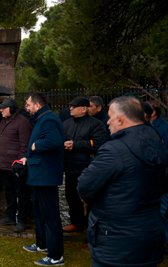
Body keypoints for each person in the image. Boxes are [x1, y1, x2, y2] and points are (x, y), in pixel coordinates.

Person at [78, 96, 168, 267]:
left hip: (116, 240)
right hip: (149, 236)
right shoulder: (157, 142)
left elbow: (85, 186)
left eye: (110, 117)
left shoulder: (115, 150)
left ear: (120, 119)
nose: (107, 123)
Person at [20, 92, 65, 266]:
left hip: (46, 175)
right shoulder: (41, 119)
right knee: (39, 212)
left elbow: (54, 140)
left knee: (50, 216)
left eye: (28, 104)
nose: (26, 107)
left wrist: (35, 145)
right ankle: (42, 244)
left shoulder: (48, 119)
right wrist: (26, 156)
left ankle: (56, 256)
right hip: (38, 174)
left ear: (37, 105)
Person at [61, 97, 107, 233]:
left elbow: (98, 143)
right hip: (69, 167)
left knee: (88, 197)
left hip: (86, 168)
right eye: (71, 106)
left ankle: (91, 224)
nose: (71, 108)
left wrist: (76, 145)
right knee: (71, 196)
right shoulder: (67, 123)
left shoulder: (95, 124)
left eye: (74, 106)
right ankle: (76, 222)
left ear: (84, 109)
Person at [0, 98, 32, 233]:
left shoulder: (23, 123)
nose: (1, 110)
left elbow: (24, 146)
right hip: (3, 164)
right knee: (8, 191)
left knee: (21, 193)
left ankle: (22, 220)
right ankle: (9, 216)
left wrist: (20, 163)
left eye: (3, 107)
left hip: (16, 166)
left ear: (11, 108)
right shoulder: (3, 121)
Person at [147, 100, 168, 253]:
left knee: (164, 210)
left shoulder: (166, 128)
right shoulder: (145, 127)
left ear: (153, 112)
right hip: (149, 175)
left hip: (164, 175)